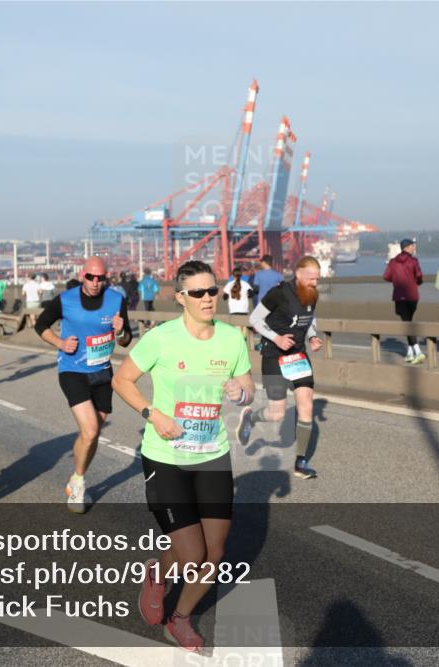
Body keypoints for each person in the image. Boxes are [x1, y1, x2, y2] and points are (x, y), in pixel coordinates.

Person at [112, 260, 254, 654]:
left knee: (215, 553)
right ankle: (159, 574)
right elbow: (121, 380)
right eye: (198, 292)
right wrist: (152, 414)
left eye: (213, 290)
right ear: (180, 298)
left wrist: (240, 393)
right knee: (191, 553)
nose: (209, 298)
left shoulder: (231, 338)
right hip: (166, 458)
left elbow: (248, 385)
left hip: (213, 455)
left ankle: (180, 618)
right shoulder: (161, 338)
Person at [34, 256, 131, 513]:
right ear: (82, 275)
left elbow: (125, 340)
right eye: (91, 277)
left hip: (102, 372)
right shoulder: (65, 300)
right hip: (72, 370)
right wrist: (60, 343)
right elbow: (40, 324)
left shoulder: (116, 300)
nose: (95, 282)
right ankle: (78, 483)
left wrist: (120, 331)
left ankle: (75, 477)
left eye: (101, 278)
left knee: (93, 432)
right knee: (89, 430)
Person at [238, 255, 324, 479]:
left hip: (298, 356)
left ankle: (301, 462)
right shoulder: (279, 293)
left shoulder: (313, 294)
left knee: (306, 404)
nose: (315, 283)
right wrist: (276, 338)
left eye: (317, 279)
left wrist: (313, 336)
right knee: (276, 413)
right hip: (274, 355)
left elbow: (310, 318)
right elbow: (255, 319)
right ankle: (251, 418)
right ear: (298, 275)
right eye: (311, 279)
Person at [383, 238, 425, 364]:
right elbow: (419, 276)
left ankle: (415, 352)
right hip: (412, 296)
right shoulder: (413, 261)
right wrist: (416, 283)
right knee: (409, 323)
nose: (414, 249)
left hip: (399, 296)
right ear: (406, 248)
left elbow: (386, 276)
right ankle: (413, 352)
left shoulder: (393, 262)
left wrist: (396, 281)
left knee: (407, 323)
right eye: (412, 247)